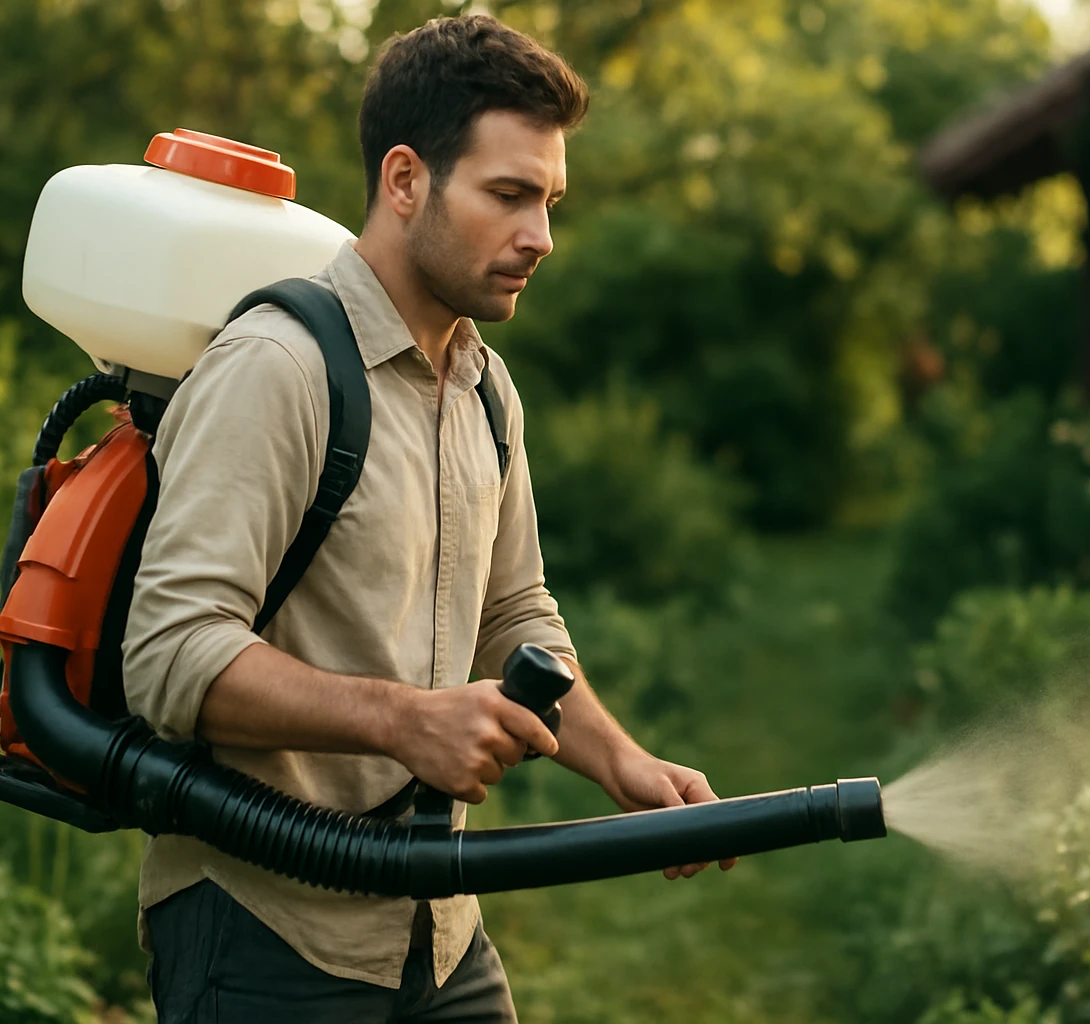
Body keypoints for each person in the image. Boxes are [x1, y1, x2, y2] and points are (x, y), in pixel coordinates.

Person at [120, 14, 731, 1023]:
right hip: (265, 930)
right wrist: (405, 720)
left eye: (549, 202)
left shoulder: (485, 388)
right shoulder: (278, 368)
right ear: (406, 180)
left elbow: (514, 614)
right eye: (509, 195)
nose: (541, 236)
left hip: (435, 925)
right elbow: (170, 654)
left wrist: (621, 762)